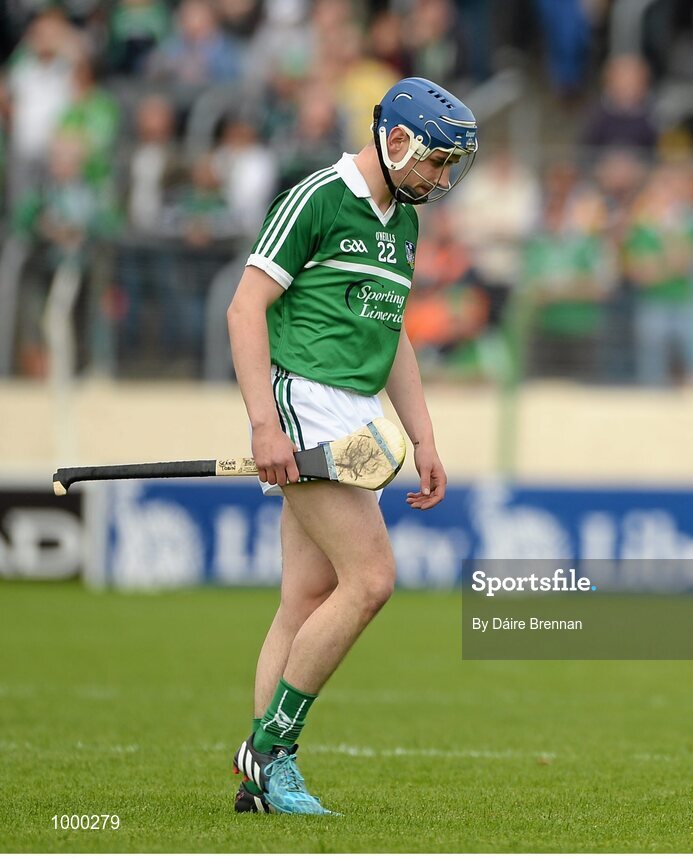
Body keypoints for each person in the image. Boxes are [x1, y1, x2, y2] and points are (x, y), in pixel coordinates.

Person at [225, 76, 477, 815]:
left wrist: (423, 436)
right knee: (371, 578)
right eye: (435, 161)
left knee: (304, 597)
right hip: (305, 403)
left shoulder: (403, 219)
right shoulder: (316, 199)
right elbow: (246, 308)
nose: (441, 179)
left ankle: (256, 783)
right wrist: (263, 425)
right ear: (395, 140)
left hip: (359, 417)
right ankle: (270, 750)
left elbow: (393, 331)